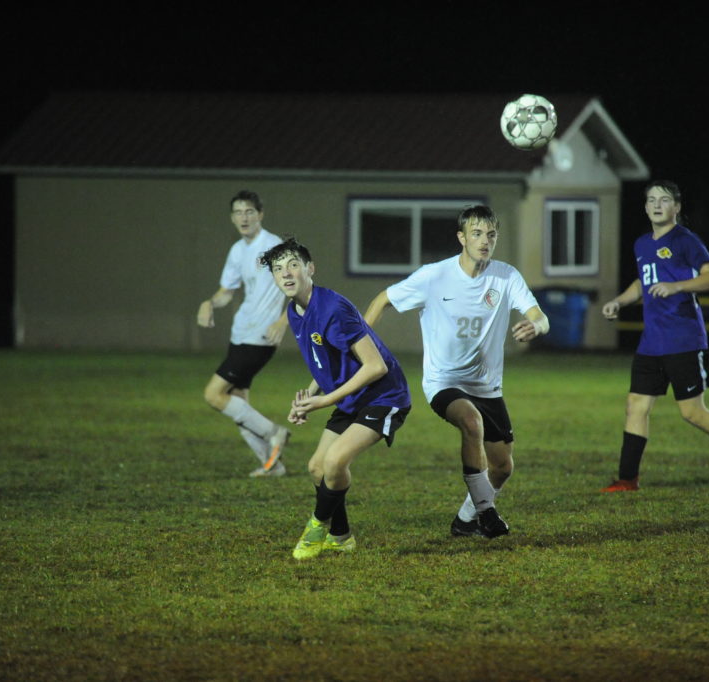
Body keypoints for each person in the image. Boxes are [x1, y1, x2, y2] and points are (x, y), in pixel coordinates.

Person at [365, 205, 549, 539]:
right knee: (471, 422)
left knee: (503, 467)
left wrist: (536, 325)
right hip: (444, 381)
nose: (485, 241)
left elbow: (540, 316)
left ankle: (464, 521)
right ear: (461, 238)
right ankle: (486, 511)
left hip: (487, 386)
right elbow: (382, 300)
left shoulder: (506, 276)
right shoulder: (434, 276)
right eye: (477, 234)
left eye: (491, 234)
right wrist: (359, 345)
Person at [600, 180, 709, 494]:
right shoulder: (642, 244)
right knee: (635, 406)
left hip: (683, 339)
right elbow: (642, 282)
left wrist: (676, 286)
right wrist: (619, 302)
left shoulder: (685, 239)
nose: (657, 205)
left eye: (664, 200)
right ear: (645, 207)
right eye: (651, 200)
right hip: (651, 342)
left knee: (692, 412)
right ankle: (627, 479)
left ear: (676, 207)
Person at [260, 237, 411, 560]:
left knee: (335, 461)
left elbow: (376, 366)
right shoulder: (296, 311)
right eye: (278, 268)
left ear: (310, 269)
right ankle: (341, 537)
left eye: (293, 265)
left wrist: (326, 402)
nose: (286, 273)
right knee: (317, 467)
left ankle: (316, 527)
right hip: (352, 397)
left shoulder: (333, 309)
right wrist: (308, 398)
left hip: (384, 395)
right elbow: (325, 362)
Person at [197, 190, 291, 477]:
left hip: (260, 337)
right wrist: (209, 303)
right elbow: (227, 291)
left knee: (214, 394)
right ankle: (272, 465)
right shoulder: (238, 250)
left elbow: (302, 288)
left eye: (249, 211)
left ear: (260, 214)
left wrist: (283, 321)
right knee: (238, 401)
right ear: (232, 218)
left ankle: (275, 432)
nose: (244, 217)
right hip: (240, 333)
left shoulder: (274, 247)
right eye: (238, 212)